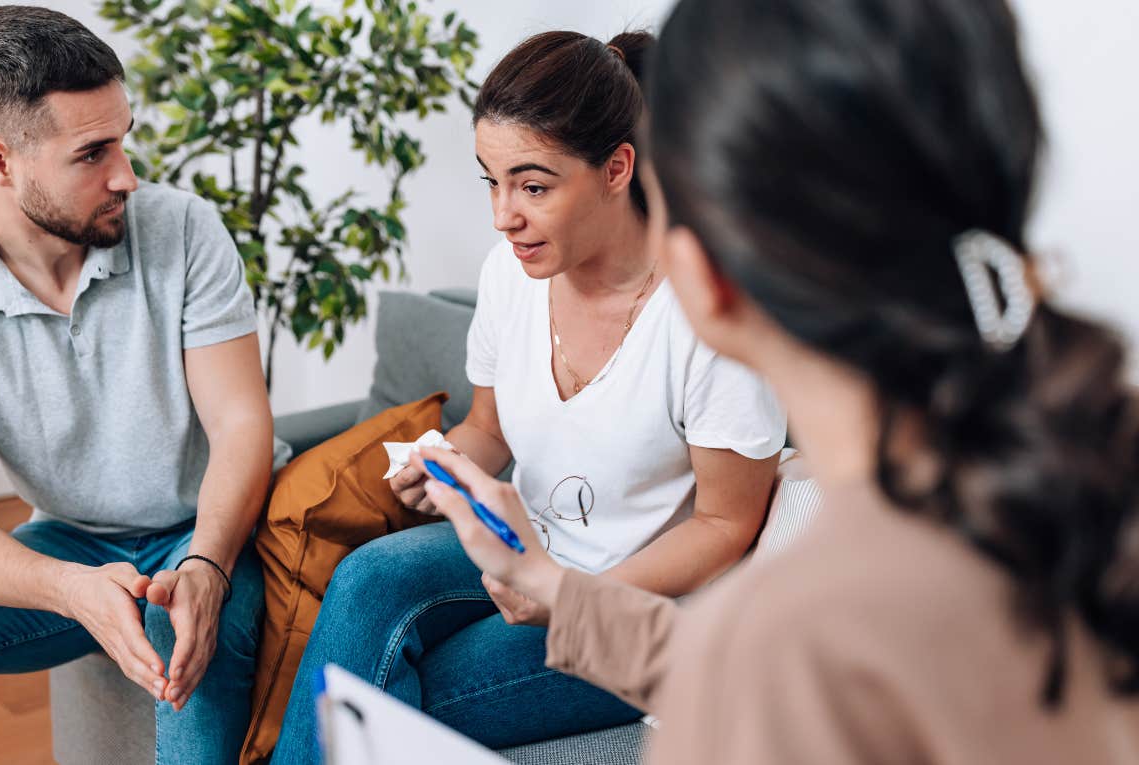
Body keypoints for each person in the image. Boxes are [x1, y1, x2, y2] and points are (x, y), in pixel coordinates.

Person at [418, 0, 1139, 761]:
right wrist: (560, 587)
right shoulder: (1079, 487)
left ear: (704, 265)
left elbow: (764, 667)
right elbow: (741, 666)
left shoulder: (787, 643)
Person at [271, 31, 786, 762]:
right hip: (518, 549)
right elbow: (488, 428)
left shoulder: (704, 314)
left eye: (533, 185)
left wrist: (569, 597)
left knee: (391, 686)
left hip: (632, 607)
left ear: (617, 168)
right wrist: (443, 467)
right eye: (491, 180)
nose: (502, 215)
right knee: (365, 578)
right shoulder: (510, 274)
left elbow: (727, 524)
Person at [0, 7, 272, 763]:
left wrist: (206, 564)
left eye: (125, 138)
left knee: (191, 644)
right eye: (92, 152)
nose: (126, 175)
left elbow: (241, 423)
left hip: (202, 530)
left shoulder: (184, 230)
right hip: (71, 540)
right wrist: (69, 587)